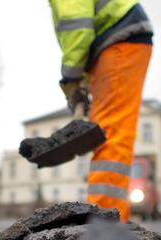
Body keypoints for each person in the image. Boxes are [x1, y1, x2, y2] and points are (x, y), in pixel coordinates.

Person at [49, 0, 153, 222]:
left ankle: (106, 226)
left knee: (109, 136)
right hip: (117, 41)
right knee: (109, 135)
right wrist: (83, 81)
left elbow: (77, 30)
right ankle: (112, 220)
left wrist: (72, 80)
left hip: (120, 39)